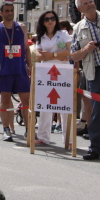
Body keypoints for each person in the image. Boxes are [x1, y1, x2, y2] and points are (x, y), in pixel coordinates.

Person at [70, 0, 100, 160]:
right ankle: (95, 148)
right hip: (96, 72)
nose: (90, 4)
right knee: (97, 112)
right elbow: (74, 56)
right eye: (85, 3)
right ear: (80, 9)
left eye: (91, 1)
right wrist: (86, 49)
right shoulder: (78, 28)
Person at [0, 2, 31, 142]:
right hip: (5, 70)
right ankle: (6, 129)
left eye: (12, 10)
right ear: (1, 13)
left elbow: (26, 48)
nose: (10, 13)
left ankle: (28, 130)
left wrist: (30, 66)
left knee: (26, 100)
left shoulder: (21, 27)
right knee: (5, 100)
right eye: (7, 10)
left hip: (20, 69)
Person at [34, 10, 71, 145]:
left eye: (52, 18)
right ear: (42, 22)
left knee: (65, 104)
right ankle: (43, 137)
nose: (50, 21)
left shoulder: (63, 34)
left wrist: (51, 55)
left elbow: (68, 53)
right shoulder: (40, 36)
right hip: (46, 72)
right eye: (47, 19)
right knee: (45, 104)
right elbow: (38, 55)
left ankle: (68, 139)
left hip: (63, 71)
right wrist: (58, 55)